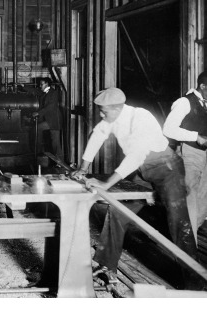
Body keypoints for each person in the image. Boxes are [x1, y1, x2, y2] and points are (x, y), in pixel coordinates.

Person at [72, 87, 202, 290]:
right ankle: (107, 266)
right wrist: (83, 167)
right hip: (144, 170)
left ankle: (196, 284)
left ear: (116, 108)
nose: (100, 115)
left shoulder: (141, 118)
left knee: (179, 223)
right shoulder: (112, 119)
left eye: (103, 111)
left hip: (167, 168)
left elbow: (136, 156)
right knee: (118, 208)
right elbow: (97, 135)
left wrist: (107, 183)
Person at [163, 71, 207, 241]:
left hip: (205, 156)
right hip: (190, 153)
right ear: (202, 86)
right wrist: (196, 137)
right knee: (189, 199)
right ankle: (187, 248)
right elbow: (168, 129)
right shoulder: (184, 102)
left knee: (203, 203)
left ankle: (189, 244)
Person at [31, 77, 63, 160]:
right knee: (54, 142)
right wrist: (23, 86)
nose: (40, 86)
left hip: (54, 121)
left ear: (47, 84)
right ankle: (40, 153)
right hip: (49, 120)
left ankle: (60, 162)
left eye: (41, 84)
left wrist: (38, 113)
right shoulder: (44, 93)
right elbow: (35, 91)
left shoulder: (54, 93)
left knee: (55, 143)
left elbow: (50, 107)